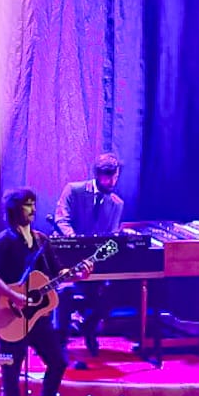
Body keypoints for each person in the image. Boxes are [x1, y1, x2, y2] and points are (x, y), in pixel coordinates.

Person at [0, 188, 83, 396]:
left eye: (33, 204)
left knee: (59, 361)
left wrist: (75, 274)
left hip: (38, 320)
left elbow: (54, 272)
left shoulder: (42, 240)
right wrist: (13, 295)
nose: (33, 209)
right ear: (15, 210)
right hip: (10, 318)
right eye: (27, 205)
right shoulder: (3, 241)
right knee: (11, 374)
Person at [53, 153, 125, 360]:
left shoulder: (117, 204)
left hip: (95, 262)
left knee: (114, 289)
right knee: (65, 291)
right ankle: (61, 341)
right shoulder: (74, 190)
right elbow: (62, 219)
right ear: (97, 174)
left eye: (114, 177)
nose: (111, 182)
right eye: (107, 177)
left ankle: (89, 326)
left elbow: (110, 237)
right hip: (66, 259)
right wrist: (76, 243)